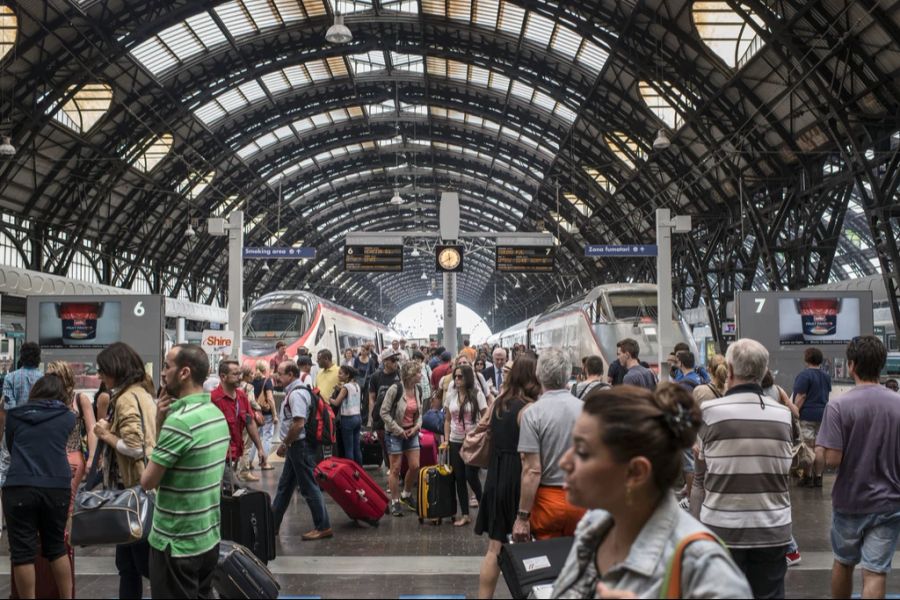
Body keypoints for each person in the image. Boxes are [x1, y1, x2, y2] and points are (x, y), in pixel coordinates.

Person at [550, 384, 752, 599]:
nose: (564, 462)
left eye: (582, 451)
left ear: (636, 472)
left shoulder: (704, 569)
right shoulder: (593, 528)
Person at [690, 338, 794, 599]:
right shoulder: (783, 415)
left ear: (730, 371)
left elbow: (701, 460)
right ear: (763, 371)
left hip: (724, 528)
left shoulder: (709, 412)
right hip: (773, 527)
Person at [139, 344, 229, 598]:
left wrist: (157, 428)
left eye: (167, 366)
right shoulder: (215, 415)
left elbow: (148, 481)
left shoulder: (180, 423)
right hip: (208, 537)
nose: (163, 373)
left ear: (184, 372)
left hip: (176, 542)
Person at [816, 335, 900, 600]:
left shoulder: (838, 406)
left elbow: (832, 460)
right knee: (875, 572)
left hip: (849, 502)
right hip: (889, 503)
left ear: (850, 365)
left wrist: (818, 451)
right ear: (881, 365)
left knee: (843, 562)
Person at [93, 342, 157, 600]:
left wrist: (105, 434)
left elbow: (134, 446)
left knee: (139, 564)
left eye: (103, 370)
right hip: (138, 490)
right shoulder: (142, 393)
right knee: (129, 564)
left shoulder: (126, 398)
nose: (101, 376)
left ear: (116, 369)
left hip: (132, 493)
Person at [3, 374, 76, 600]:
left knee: (22, 553)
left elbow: (11, 447)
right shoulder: (67, 417)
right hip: (56, 485)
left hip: (20, 485)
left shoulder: (14, 416)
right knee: (56, 548)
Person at [476, 355, 541, 599]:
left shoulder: (499, 402)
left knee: (494, 548)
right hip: (517, 476)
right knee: (526, 547)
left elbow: (483, 428)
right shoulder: (528, 408)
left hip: (495, 475)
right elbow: (530, 457)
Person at [513, 348, 585, 542]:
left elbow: (532, 471)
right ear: (568, 374)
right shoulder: (588, 410)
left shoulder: (533, 414)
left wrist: (522, 517)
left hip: (548, 502)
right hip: (581, 498)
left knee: (548, 561)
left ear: (538, 375)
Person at [272, 361, 333, 540]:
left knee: (308, 487)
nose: (277, 376)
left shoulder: (297, 394)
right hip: (297, 447)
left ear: (291, 375)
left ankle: (323, 526)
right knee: (285, 487)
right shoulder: (295, 392)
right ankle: (273, 524)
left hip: (300, 446)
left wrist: (284, 444)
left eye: (281, 373)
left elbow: (298, 424)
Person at [44, 361, 97, 502]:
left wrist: (92, 458)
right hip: (50, 456)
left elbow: (92, 429)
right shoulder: (47, 399)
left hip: (73, 455)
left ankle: (67, 523)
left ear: (64, 378)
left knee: (68, 500)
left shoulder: (79, 399)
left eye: (54, 377)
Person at [441, 364, 487, 527]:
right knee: (459, 478)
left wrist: (478, 433)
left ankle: (484, 507)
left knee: (471, 475)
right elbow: (447, 419)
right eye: (456, 376)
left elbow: (485, 416)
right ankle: (465, 514)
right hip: (455, 441)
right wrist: (446, 439)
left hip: (472, 442)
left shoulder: (477, 394)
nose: (457, 379)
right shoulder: (451, 396)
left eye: (460, 376)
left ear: (468, 378)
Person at [210, 360, 266, 482]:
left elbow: (249, 422)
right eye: (235, 374)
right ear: (223, 377)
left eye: (240, 374)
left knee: (228, 493)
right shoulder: (213, 398)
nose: (239, 377)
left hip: (236, 455)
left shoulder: (242, 396)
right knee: (232, 489)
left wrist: (260, 448)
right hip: (219, 457)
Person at [381, 361, 424, 517]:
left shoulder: (418, 389)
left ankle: (406, 493)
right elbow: (384, 412)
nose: (421, 375)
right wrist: (398, 430)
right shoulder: (395, 389)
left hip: (411, 432)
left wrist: (416, 427)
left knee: (415, 466)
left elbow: (420, 414)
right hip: (394, 433)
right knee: (396, 469)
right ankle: (395, 500)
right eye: (418, 372)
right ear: (410, 374)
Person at [0, 341, 42, 486]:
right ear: (38, 357)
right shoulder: (43, 379)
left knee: (6, 463)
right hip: (38, 427)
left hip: (15, 427)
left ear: (21, 357)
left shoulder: (10, 378)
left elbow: (9, 406)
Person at [793, 347, 832, 487]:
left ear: (806, 359)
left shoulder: (804, 375)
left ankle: (808, 477)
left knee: (808, 447)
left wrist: (795, 411)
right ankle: (819, 477)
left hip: (807, 415)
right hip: (822, 415)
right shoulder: (826, 376)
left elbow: (801, 396)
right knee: (820, 447)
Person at [237, 364, 267, 477]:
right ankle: (244, 471)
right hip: (247, 417)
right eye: (251, 373)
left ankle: (237, 470)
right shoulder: (249, 387)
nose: (253, 375)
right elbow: (250, 401)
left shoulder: (235, 386)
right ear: (245, 375)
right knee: (247, 445)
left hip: (237, 417)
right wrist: (259, 407)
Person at [331, 365, 362, 466]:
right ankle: (359, 470)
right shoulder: (356, 385)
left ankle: (350, 471)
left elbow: (336, 402)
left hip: (348, 419)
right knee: (356, 447)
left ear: (347, 375)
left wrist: (328, 399)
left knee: (348, 449)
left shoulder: (345, 387)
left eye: (341, 373)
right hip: (358, 417)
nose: (338, 375)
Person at [251, 360, 277, 471]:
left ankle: (249, 461)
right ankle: (264, 462)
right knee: (267, 437)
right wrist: (274, 414)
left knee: (254, 438)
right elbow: (270, 399)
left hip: (255, 413)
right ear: (265, 369)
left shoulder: (252, 381)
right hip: (266, 414)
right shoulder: (267, 381)